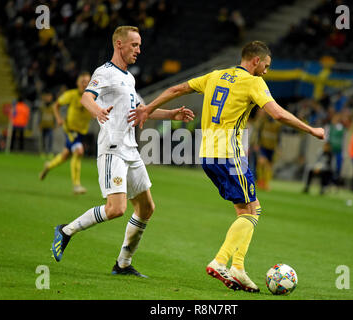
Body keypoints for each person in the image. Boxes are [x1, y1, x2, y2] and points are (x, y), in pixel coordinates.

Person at [129, 41, 325, 292]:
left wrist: (148, 108)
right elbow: (278, 114)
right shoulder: (254, 82)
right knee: (251, 212)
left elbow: (178, 88)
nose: (266, 71)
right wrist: (311, 129)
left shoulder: (215, 75)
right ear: (255, 61)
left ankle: (239, 268)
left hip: (207, 156)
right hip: (230, 156)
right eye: (266, 66)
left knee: (247, 209)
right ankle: (221, 261)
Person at [50, 26, 194, 277]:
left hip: (130, 150)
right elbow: (86, 98)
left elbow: (141, 110)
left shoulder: (128, 78)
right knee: (116, 209)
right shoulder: (104, 72)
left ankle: (123, 264)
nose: (139, 49)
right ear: (119, 45)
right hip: (112, 150)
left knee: (147, 207)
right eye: (134, 45)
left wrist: (171, 114)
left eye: (139, 45)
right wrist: (98, 111)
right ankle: (65, 230)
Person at [39, 72, 93, 194]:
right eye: (82, 81)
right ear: (77, 83)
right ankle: (76, 185)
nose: (85, 84)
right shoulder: (71, 95)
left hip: (82, 132)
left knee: (65, 156)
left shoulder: (92, 96)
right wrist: (58, 118)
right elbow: (56, 105)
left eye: (87, 81)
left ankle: (48, 166)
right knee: (79, 152)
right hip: (70, 129)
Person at [255, 109, 282, 190]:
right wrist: (257, 144)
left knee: (269, 166)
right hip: (263, 146)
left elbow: (279, 137)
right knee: (261, 162)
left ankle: (265, 183)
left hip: (272, 147)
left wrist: (279, 148)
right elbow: (258, 132)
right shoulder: (263, 122)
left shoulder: (278, 125)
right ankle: (260, 181)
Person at [328, 113, 345, 185]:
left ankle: (336, 180)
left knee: (338, 166)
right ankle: (329, 180)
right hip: (331, 150)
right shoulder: (330, 127)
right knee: (330, 166)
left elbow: (343, 140)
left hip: (339, 150)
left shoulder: (341, 128)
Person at [38, 91, 55, 157]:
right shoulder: (42, 106)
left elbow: (54, 116)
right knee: (43, 139)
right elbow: (40, 116)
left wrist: (55, 124)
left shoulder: (53, 106)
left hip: (50, 125)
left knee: (50, 139)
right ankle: (43, 152)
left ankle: (50, 152)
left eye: (49, 97)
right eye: (47, 96)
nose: (48, 98)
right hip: (43, 125)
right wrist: (39, 124)